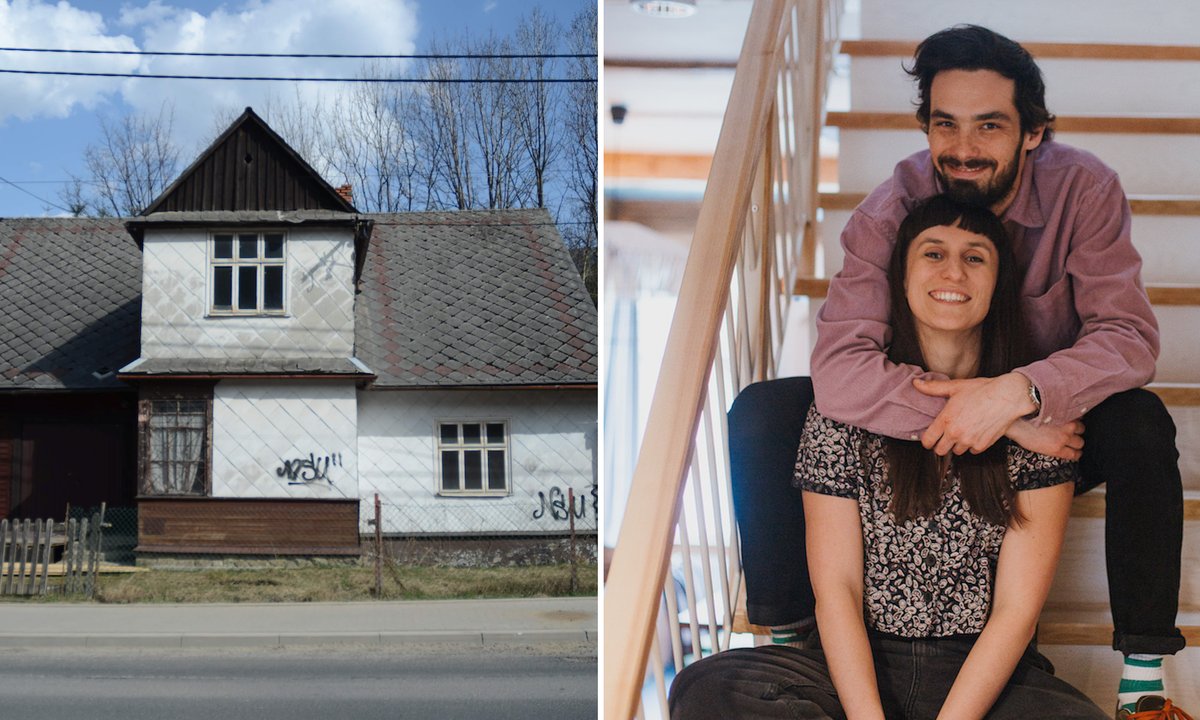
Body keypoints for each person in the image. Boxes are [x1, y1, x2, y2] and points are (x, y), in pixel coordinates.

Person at [732, 24, 1186, 716]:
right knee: (766, 412)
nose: (965, 149)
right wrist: (986, 416)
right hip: (917, 435)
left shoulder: (1084, 192)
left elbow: (1128, 339)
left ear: (1033, 133)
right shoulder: (889, 211)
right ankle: (796, 641)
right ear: (925, 127)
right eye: (946, 126)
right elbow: (843, 372)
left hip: (1051, 432)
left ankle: (1144, 682)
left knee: (1143, 423)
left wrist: (1015, 398)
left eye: (989, 127)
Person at [672, 195, 1108, 719]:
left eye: (975, 257)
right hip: (857, 665)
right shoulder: (844, 410)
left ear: (998, 286)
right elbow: (838, 589)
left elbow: (1016, 612)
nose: (954, 270)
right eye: (932, 253)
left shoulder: (1038, 420)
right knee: (706, 688)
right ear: (900, 279)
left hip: (983, 673)